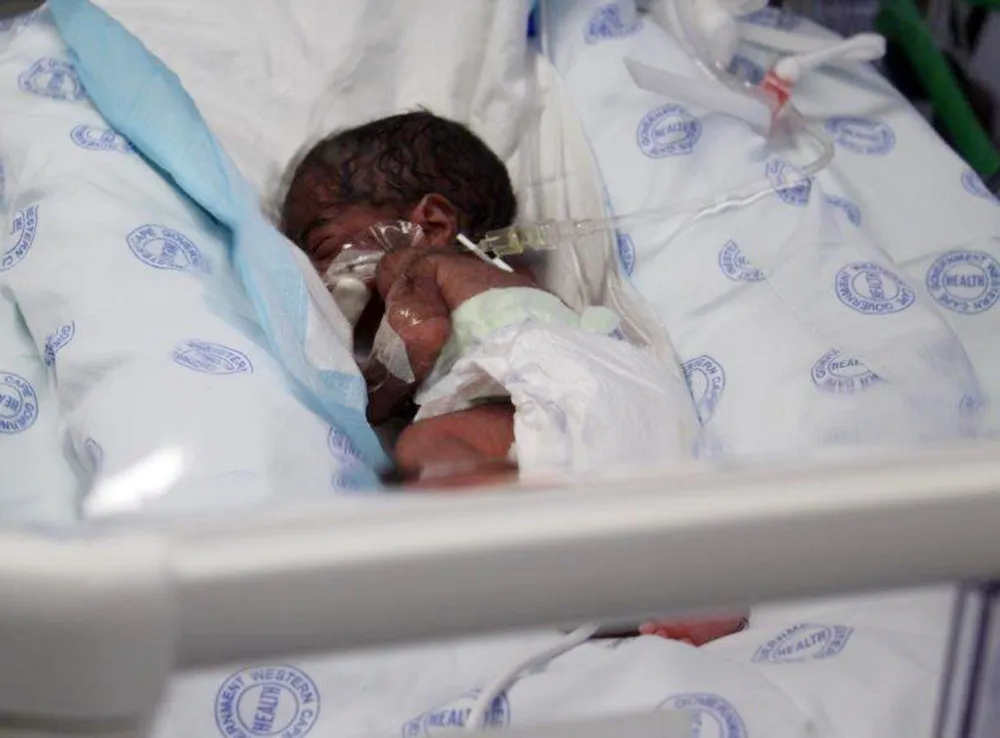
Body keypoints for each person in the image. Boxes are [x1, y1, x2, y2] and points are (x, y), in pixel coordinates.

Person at [282, 110, 748, 643]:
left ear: (430, 224)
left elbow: (420, 338)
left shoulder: (413, 265)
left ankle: (519, 556)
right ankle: (687, 590)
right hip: (634, 394)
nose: (319, 277)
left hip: (541, 382)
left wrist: (365, 398)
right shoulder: (521, 280)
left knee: (429, 447)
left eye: (323, 249)